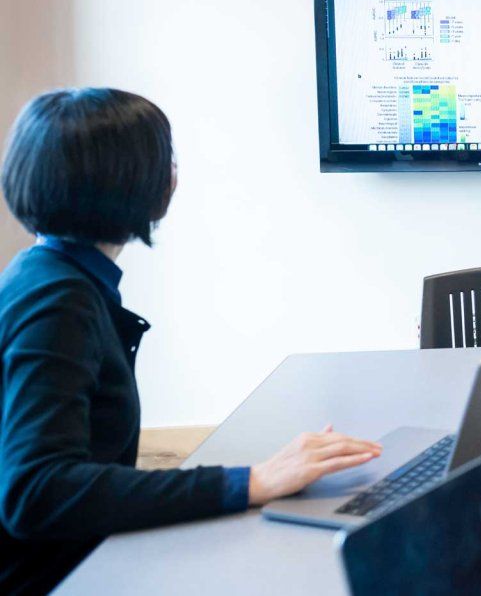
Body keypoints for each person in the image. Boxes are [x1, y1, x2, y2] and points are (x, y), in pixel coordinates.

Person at [0, 88, 383, 595]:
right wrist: (250, 482)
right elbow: (37, 490)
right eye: (167, 159)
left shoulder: (42, 272)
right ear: (134, 183)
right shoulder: (58, 300)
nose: (175, 173)